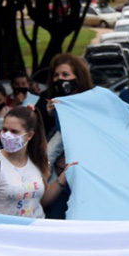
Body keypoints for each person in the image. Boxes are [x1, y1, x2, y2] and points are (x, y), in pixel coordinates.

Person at [0, 107, 75, 219]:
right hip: (3, 233)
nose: (7, 135)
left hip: (34, 231)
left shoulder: (38, 161)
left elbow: (39, 200)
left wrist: (61, 179)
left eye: (14, 131)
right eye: (4, 130)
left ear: (30, 135)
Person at [34, 53, 93, 219]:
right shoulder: (46, 100)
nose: (60, 79)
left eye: (65, 75)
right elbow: (36, 137)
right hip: (56, 182)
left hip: (85, 181)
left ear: (78, 77)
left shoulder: (91, 102)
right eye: (56, 75)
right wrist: (47, 116)